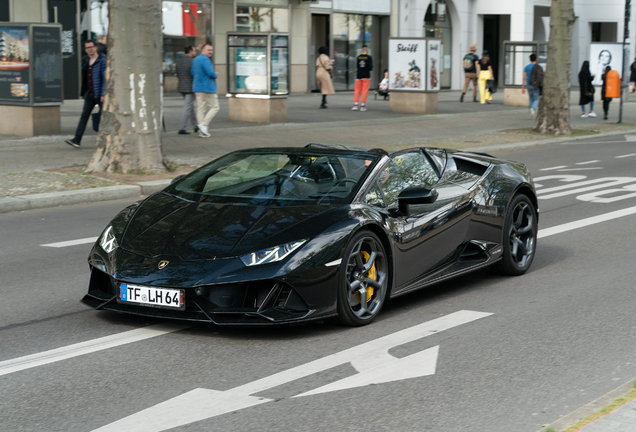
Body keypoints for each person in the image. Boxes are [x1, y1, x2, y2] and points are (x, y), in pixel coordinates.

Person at [65, 39, 107, 148]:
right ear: (85, 49)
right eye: (88, 48)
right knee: (84, 116)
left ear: (96, 47)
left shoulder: (102, 60)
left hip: (99, 94)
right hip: (89, 94)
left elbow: (104, 78)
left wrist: (102, 93)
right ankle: (77, 140)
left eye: (91, 47)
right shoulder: (86, 61)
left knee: (104, 118)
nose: (90, 49)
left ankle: (106, 141)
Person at [191, 43, 219, 138]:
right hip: (207, 88)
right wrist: (216, 74)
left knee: (200, 109)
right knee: (215, 107)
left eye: (211, 50)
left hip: (197, 88)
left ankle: (202, 131)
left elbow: (192, 72)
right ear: (203, 50)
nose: (211, 51)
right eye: (209, 50)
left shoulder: (195, 60)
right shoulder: (206, 60)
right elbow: (211, 73)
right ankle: (204, 124)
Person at [176, 45, 198, 135]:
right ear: (190, 51)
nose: (195, 53)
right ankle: (181, 128)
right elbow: (194, 74)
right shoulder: (192, 61)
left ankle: (196, 126)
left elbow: (177, 73)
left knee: (190, 106)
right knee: (187, 107)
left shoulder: (179, 60)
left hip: (181, 86)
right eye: (194, 51)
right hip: (190, 87)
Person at [521, 53, 543, 119]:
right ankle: (533, 109)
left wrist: (523, 87)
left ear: (530, 59)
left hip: (528, 84)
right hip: (535, 85)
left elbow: (524, 78)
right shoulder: (538, 67)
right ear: (536, 59)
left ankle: (530, 109)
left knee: (531, 98)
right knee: (536, 99)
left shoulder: (526, 67)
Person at [352, 45, 373, 111]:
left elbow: (357, 66)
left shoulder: (358, 57)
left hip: (358, 76)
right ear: (367, 50)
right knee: (364, 91)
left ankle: (355, 105)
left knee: (357, 91)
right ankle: (362, 106)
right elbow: (371, 67)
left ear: (362, 50)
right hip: (366, 76)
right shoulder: (369, 57)